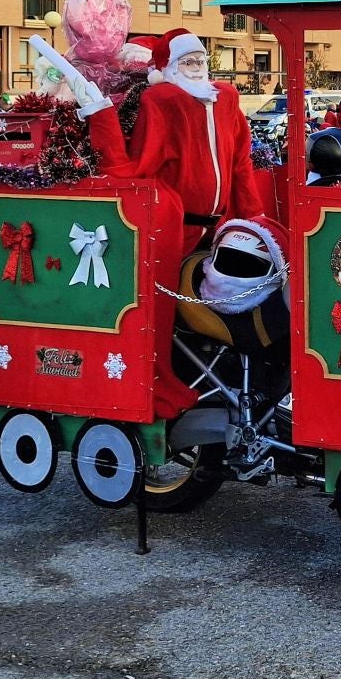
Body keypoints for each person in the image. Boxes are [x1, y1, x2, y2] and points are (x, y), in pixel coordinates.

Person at [76, 29, 267, 410]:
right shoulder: (161, 99)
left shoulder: (226, 97)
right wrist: (101, 117)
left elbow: (240, 164)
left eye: (200, 60)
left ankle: (238, 382)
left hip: (220, 228)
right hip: (173, 227)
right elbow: (138, 168)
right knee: (154, 303)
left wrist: (254, 220)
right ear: (167, 67)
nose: (197, 67)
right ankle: (154, 382)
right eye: (188, 61)